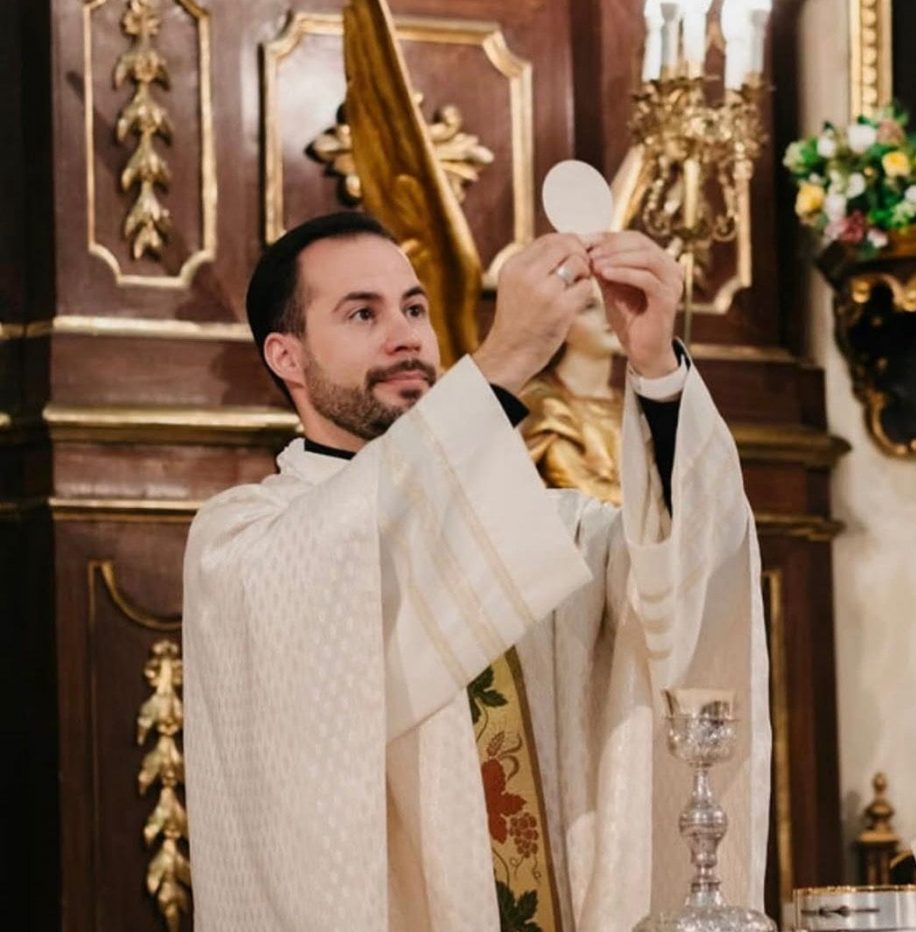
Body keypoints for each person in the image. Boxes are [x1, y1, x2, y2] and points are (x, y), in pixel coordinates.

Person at [182, 210, 770, 932]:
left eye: (415, 308)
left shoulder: (540, 531)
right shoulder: (244, 542)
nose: (405, 337)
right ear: (288, 357)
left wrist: (655, 372)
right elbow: (353, 545)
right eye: (362, 313)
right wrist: (502, 364)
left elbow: (685, 574)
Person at [521, 282, 626, 505]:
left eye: (613, 301)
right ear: (558, 323)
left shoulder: (631, 406)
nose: (610, 315)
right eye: (589, 307)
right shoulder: (543, 403)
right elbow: (580, 487)